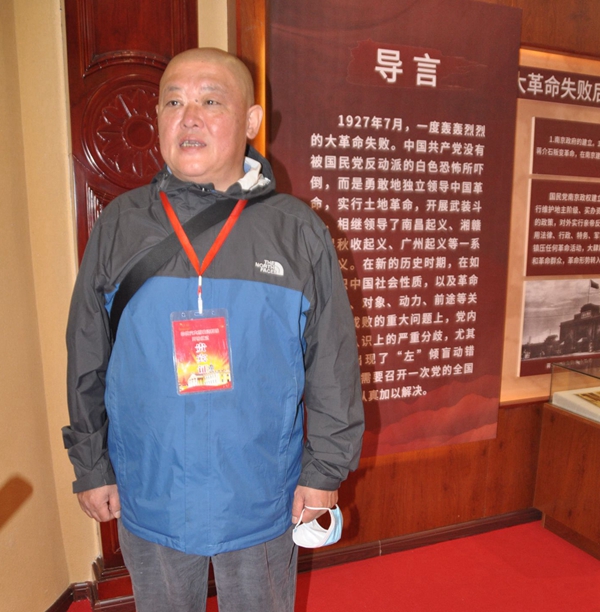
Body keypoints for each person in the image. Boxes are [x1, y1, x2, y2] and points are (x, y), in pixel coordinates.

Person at [63, 47, 364, 612]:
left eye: (210, 101)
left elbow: (332, 363)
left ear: (250, 121)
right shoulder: (120, 225)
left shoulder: (297, 231)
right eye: (173, 102)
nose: (189, 118)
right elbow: (86, 353)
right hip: (150, 487)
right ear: (158, 119)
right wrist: (91, 465)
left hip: (262, 492)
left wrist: (324, 472)